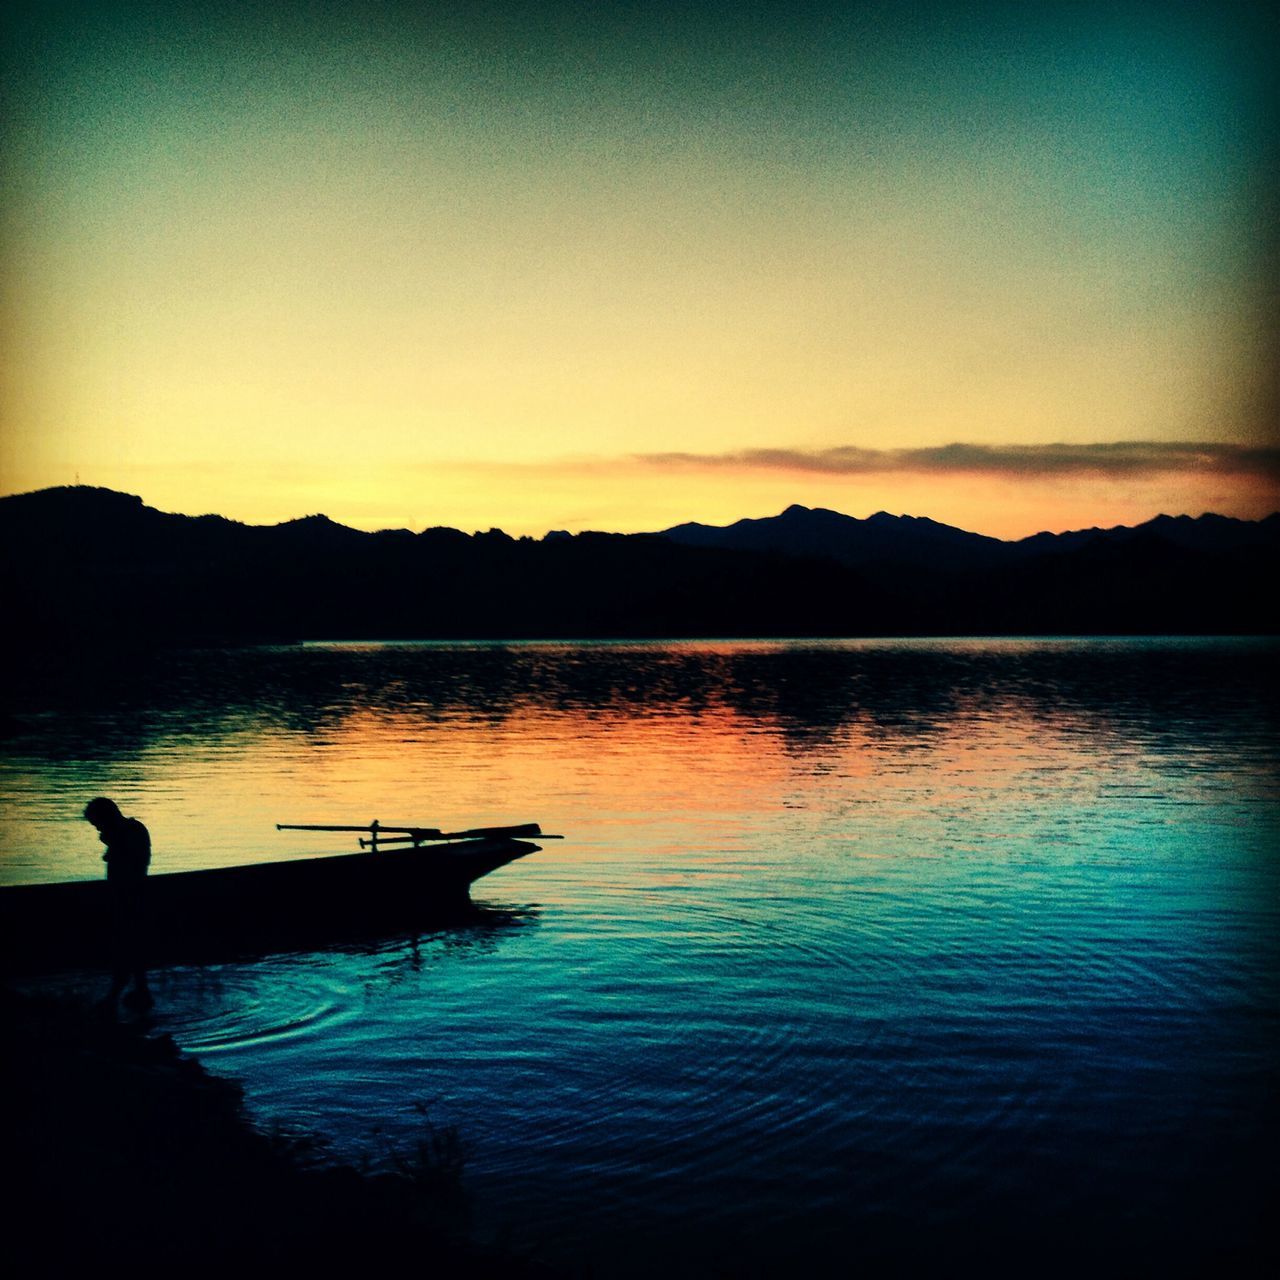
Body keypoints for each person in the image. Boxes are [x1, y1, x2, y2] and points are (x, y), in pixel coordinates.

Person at [84, 797, 153, 1009]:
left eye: (97, 824)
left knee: (125, 947)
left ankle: (117, 996)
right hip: (130, 897)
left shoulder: (125, 834)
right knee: (132, 947)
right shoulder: (132, 829)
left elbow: (125, 862)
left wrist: (110, 841)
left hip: (129, 898)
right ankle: (139, 992)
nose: (97, 829)